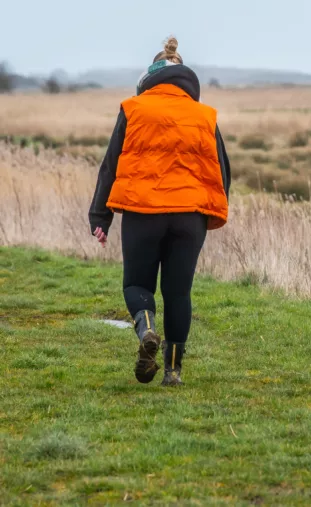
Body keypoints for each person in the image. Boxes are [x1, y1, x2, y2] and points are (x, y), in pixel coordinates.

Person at [88, 36, 231, 387]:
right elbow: (222, 171)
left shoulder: (133, 108)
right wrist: (208, 213)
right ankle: (172, 372)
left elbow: (111, 166)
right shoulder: (205, 115)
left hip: (142, 212)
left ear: (148, 77)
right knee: (179, 293)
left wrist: (100, 217)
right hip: (190, 217)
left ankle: (148, 331)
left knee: (138, 283)